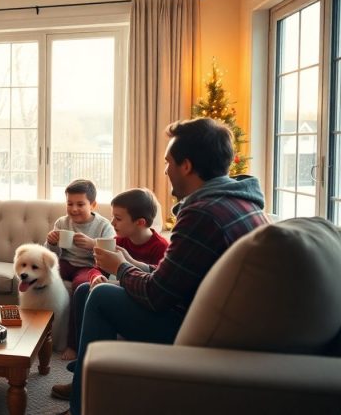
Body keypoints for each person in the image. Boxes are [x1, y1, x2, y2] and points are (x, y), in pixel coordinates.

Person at [54, 117, 270, 415]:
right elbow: (177, 277)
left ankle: (82, 408)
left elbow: (157, 295)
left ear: (187, 165)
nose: (165, 169)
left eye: (168, 161)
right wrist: (129, 262)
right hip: (200, 309)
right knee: (85, 293)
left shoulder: (202, 214)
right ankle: (86, 383)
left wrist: (120, 268)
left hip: (199, 328)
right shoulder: (235, 201)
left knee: (101, 296)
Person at [55, 187, 169, 392]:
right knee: (83, 290)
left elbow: (157, 285)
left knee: (98, 294)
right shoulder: (118, 241)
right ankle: (84, 364)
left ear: (140, 222)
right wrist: (97, 276)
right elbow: (96, 267)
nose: (112, 223)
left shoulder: (161, 247)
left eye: (117, 218)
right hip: (129, 290)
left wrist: (127, 262)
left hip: (148, 301)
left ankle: (85, 379)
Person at [44, 179, 115, 360]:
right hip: (66, 262)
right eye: (69, 204)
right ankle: (36, 335)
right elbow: (51, 255)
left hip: (90, 266)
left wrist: (92, 245)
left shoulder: (103, 225)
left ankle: (73, 345)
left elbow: (111, 253)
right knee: (40, 276)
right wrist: (51, 242)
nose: (74, 209)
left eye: (80, 204)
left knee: (81, 287)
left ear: (93, 205)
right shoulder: (62, 222)